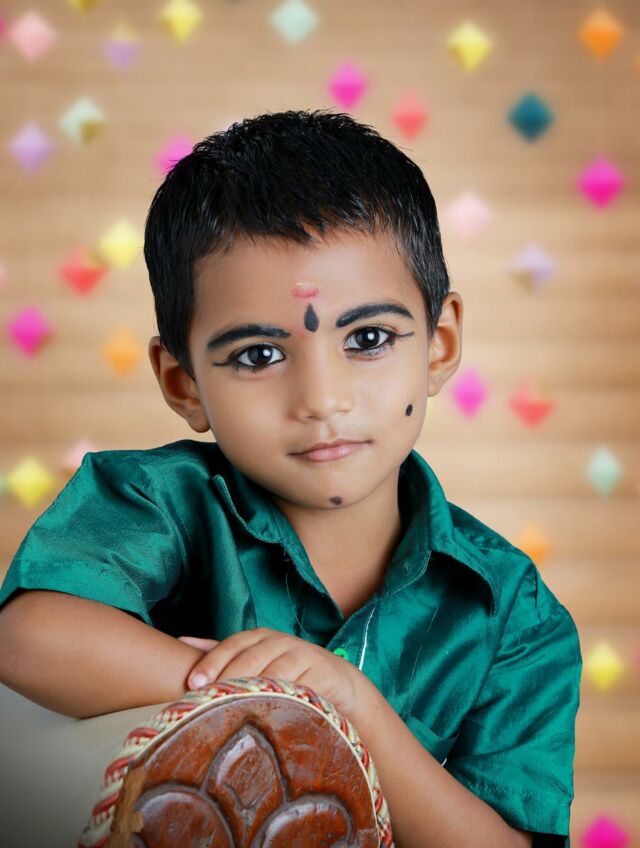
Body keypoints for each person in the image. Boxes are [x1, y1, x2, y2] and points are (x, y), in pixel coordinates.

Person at [0, 109, 581, 848]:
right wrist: (284, 701)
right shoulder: (160, 503)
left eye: (368, 339)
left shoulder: (513, 614)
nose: (322, 400)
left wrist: (355, 712)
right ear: (183, 384)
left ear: (439, 345)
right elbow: (28, 639)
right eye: (258, 356)